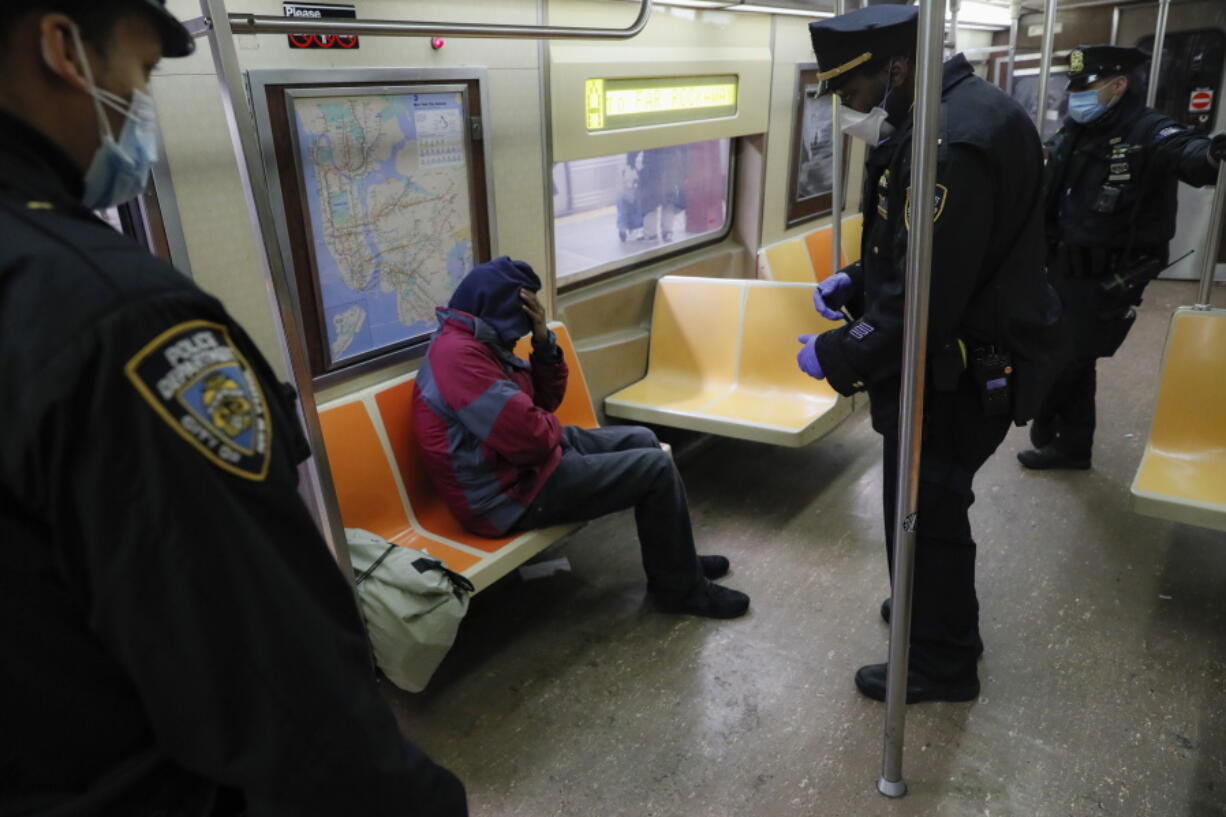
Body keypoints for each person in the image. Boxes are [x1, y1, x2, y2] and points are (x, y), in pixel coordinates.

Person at [0, 2, 467, 815]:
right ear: (62, 49)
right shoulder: (119, 324)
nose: (140, 107)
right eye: (141, 75)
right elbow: (274, 682)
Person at [801, 5, 1062, 702]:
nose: (846, 107)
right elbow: (927, 250)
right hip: (958, 353)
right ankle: (931, 612)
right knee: (925, 509)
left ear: (894, 67)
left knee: (928, 512)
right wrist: (857, 279)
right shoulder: (950, 117)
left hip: (956, 370)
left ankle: (942, 663)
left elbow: (926, 300)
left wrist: (837, 351)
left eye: (849, 92)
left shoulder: (950, 142)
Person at [412, 257, 750, 619]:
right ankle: (680, 591)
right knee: (654, 469)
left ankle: (678, 562)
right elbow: (532, 440)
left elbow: (543, 405)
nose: (517, 337)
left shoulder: (482, 343)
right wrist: (542, 424)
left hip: (521, 468)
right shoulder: (460, 358)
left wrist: (543, 341)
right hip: (502, 497)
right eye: (518, 326)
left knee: (643, 439)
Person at [1017, 45, 1226, 470]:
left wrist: (1210, 155)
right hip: (1061, 264)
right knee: (1068, 353)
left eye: (1087, 86)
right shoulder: (1079, 129)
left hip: (1110, 274)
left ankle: (1051, 422)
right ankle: (1073, 445)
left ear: (1119, 85)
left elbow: (1187, 152)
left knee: (1070, 357)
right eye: (1074, 87)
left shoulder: (1147, 129)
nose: (1077, 95)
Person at [616, 151, 642, 242]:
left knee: (622, 212)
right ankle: (635, 229)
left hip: (622, 195)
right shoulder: (634, 169)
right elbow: (634, 184)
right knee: (637, 211)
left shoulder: (624, 169)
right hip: (632, 195)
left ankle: (622, 229)